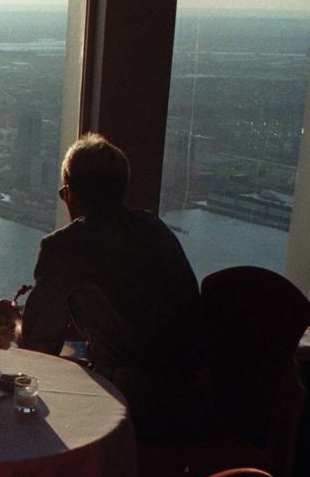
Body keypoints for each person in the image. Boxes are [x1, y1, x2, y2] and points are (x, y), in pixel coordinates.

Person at [20, 132, 207, 440]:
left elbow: (39, 350)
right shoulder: (155, 229)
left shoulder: (65, 246)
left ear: (71, 193)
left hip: (130, 410)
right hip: (191, 403)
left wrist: (14, 319)